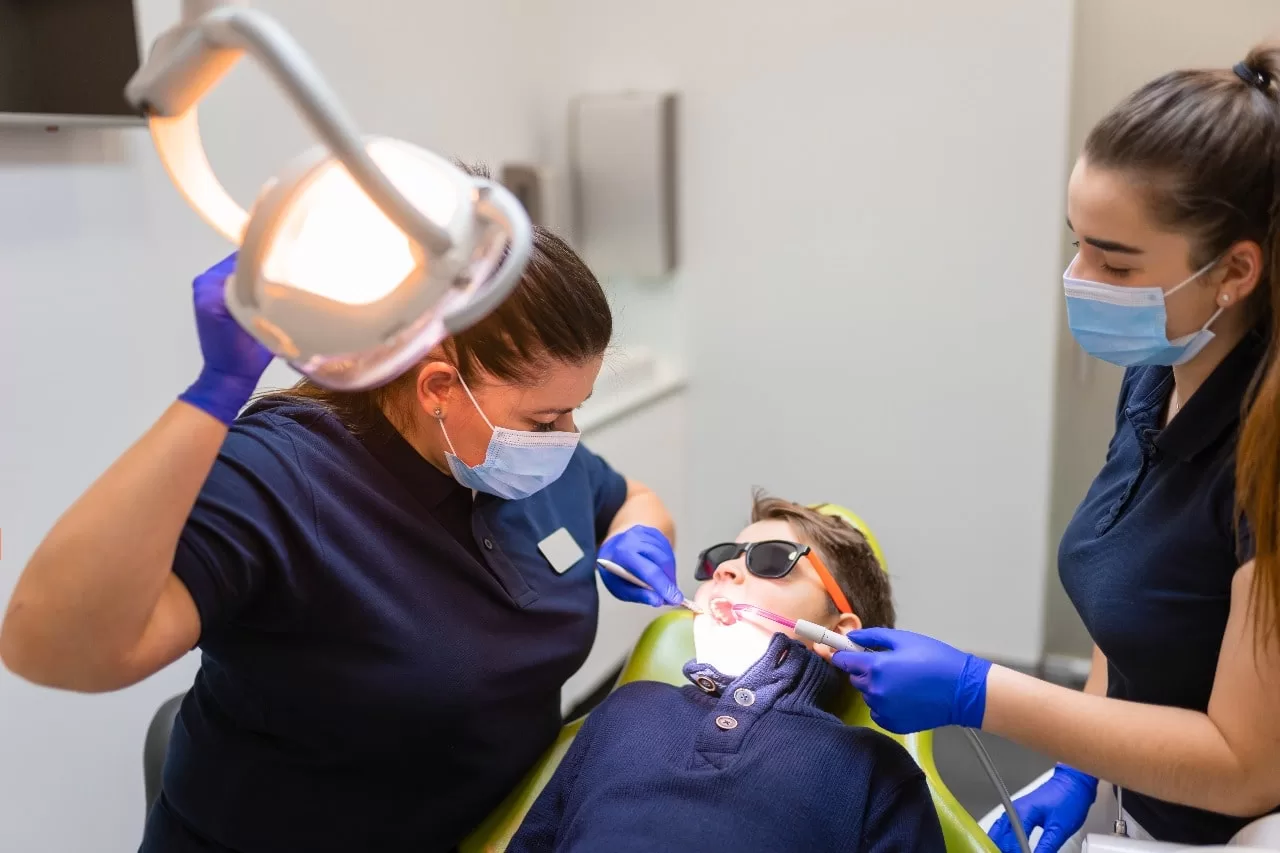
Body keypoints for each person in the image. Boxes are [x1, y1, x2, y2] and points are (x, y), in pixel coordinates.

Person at [0, 200, 686, 852]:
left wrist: (640, 533)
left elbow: (632, 497)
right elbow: (52, 646)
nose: (567, 435)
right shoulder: (280, 478)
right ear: (439, 388)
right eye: (545, 419)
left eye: (574, 410)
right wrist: (213, 392)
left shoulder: (530, 461)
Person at [831, 46, 1280, 852]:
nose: (1078, 276)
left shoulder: (1266, 454)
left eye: (1113, 259)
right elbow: (1138, 593)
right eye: (1076, 242)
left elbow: (1246, 765)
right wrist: (1079, 766)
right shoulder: (1160, 372)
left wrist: (981, 693)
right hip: (1132, 794)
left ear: (1235, 270)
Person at [506, 494, 946, 853]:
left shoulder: (873, 768)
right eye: (721, 559)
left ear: (836, 633)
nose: (726, 569)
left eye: (773, 559)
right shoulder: (627, 707)